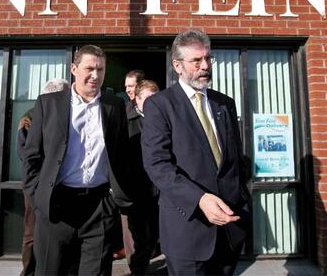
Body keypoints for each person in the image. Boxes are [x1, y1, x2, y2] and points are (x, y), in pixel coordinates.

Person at [141, 30, 250, 275]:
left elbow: (234, 159)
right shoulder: (160, 105)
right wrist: (200, 199)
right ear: (177, 65)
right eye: (196, 61)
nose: (205, 66)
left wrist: (243, 199)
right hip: (188, 230)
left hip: (230, 230)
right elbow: (157, 165)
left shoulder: (225, 103)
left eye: (208, 59)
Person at [22, 45, 133, 276]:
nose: (95, 75)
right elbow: (32, 156)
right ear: (74, 68)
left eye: (100, 69)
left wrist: (113, 199)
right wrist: (38, 196)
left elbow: (122, 156)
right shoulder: (48, 103)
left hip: (98, 207)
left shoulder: (114, 105)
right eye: (89, 68)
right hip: (57, 206)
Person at [16, 78, 69, 276]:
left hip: (59, 185)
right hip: (38, 185)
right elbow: (26, 155)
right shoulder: (31, 117)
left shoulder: (65, 116)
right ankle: (29, 272)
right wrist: (35, 187)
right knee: (33, 231)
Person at [121, 80, 160, 275]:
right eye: (147, 99)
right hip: (134, 189)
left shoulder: (163, 120)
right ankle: (137, 270)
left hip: (157, 190)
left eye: (156, 99)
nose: (152, 103)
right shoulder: (126, 121)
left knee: (153, 235)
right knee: (137, 238)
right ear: (137, 99)